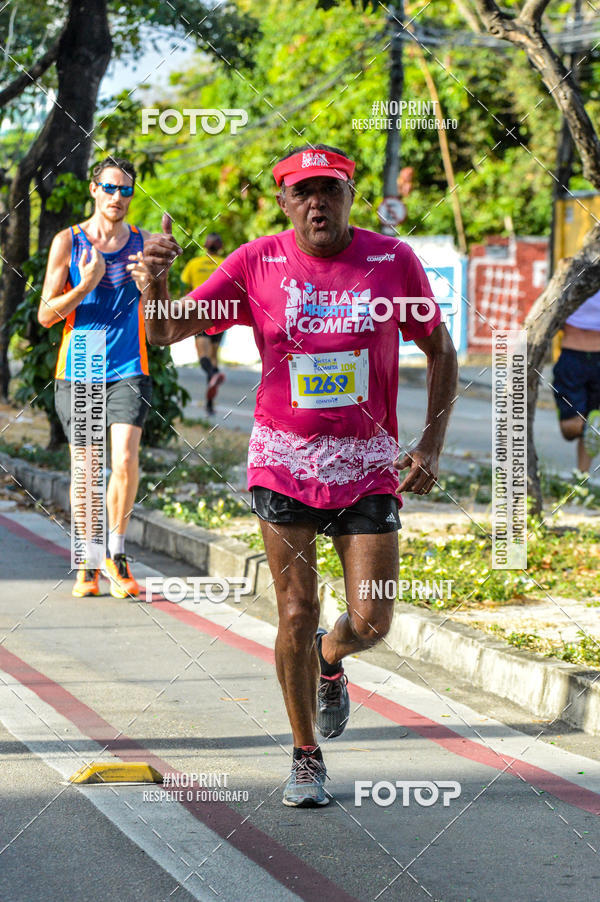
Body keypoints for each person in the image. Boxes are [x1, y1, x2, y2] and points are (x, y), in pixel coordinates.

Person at [137, 143, 458, 807]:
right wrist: (156, 284)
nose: (317, 202)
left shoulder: (390, 261)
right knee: (293, 608)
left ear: (349, 195)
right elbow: (167, 330)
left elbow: (441, 349)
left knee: (372, 618)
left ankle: (330, 659)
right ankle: (305, 754)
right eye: (303, 191)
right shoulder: (256, 262)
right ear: (285, 202)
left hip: (368, 467)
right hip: (283, 461)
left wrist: (428, 446)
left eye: (330, 189)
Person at [39, 156, 152, 599]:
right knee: (86, 468)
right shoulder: (68, 241)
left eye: (125, 190)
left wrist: (155, 280)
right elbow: (47, 315)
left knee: (123, 459)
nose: (117, 198)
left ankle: (116, 552)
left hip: (128, 363)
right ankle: (87, 558)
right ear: (93, 189)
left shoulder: (143, 243)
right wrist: (84, 286)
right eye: (109, 188)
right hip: (82, 361)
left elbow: (161, 309)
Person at [552, 288, 600, 471]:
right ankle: (593, 427)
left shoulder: (572, 278)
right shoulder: (572, 279)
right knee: (575, 429)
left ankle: (581, 479)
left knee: (580, 427)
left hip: (581, 358)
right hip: (574, 358)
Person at [181, 234, 227, 414]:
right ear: (221, 247)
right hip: (222, 313)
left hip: (199, 312)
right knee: (214, 356)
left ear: (205, 246)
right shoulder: (225, 263)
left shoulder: (194, 263)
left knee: (203, 356)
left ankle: (212, 374)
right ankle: (210, 404)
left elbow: (184, 287)